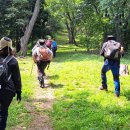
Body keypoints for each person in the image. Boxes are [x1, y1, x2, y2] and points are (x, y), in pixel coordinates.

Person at [0, 37, 22, 130]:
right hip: (8, 90)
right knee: (3, 112)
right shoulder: (13, 60)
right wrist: (19, 91)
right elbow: (17, 78)